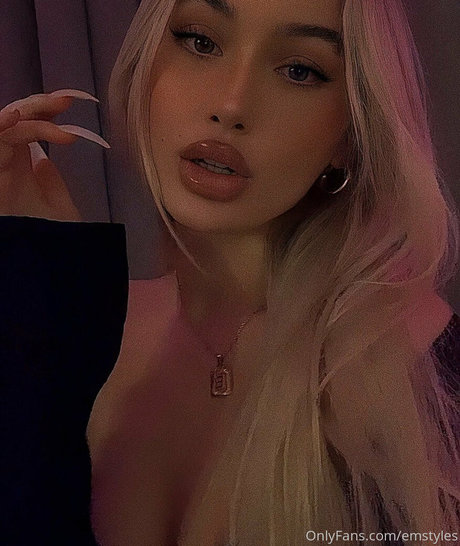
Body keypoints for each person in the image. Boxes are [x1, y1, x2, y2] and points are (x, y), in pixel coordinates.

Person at [0, 0, 459, 545]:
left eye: (299, 70)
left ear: (350, 134)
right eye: (200, 41)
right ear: (146, 61)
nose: (231, 104)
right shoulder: (72, 322)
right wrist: (38, 296)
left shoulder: (430, 374)